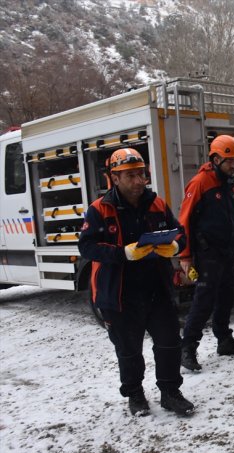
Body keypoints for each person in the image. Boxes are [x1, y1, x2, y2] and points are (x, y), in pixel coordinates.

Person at [79, 148, 195, 417]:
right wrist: (122, 253)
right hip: (120, 293)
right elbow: (87, 248)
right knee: (128, 349)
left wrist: (176, 246)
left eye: (141, 174)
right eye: (130, 175)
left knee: (169, 342)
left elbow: (181, 233)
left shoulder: (157, 204)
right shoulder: (99, 210)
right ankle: (135, 394)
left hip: (157, 288)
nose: (138, 181)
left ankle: (170, 392)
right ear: (115, 178)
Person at [178, 135, 234, 372]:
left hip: (225, 252)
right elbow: (185, 221)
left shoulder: (227, 183)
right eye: (230, 161)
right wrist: (186, 257)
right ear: (216, 158)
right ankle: (187, 348)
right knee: (203, 302)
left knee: (226, 297)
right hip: (207, 254)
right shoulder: (200, 183)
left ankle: (224, 340)